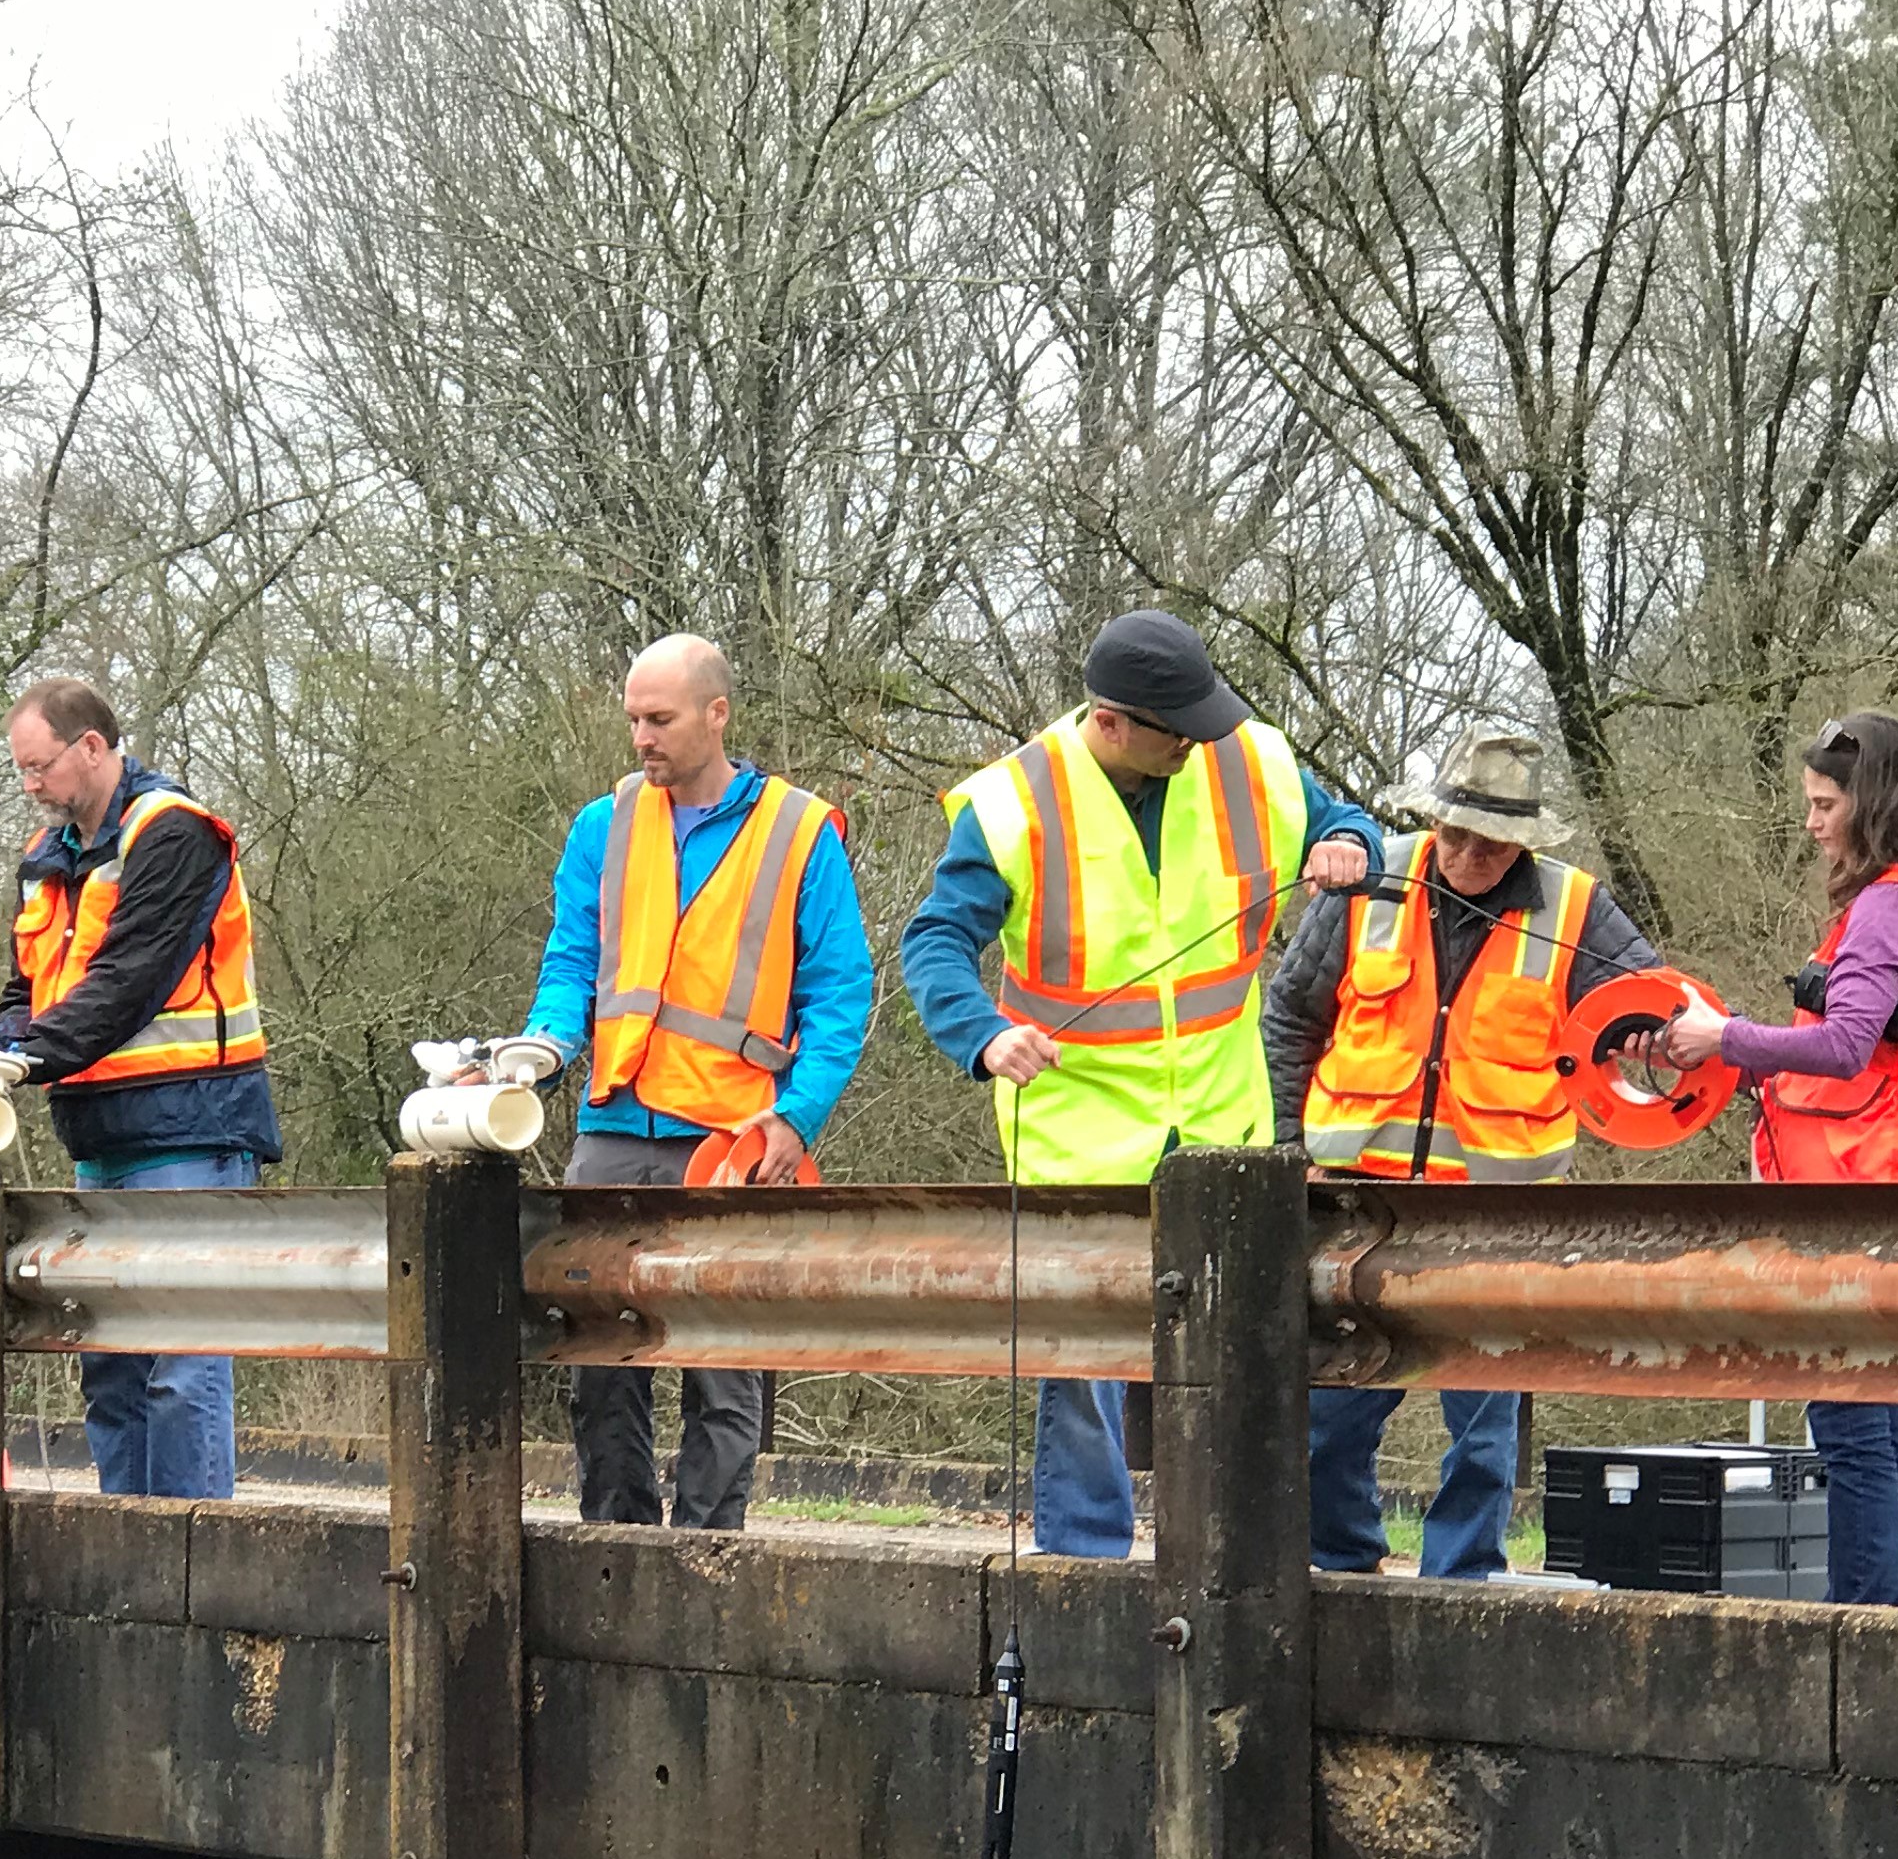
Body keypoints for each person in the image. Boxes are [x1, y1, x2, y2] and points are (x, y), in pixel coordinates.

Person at [896, 610, 1384, 1558]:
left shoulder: (1248, 759)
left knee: (1237, 1348)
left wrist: (1351, 845)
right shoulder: (1014, 805)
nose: (1199, 741)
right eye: (1177, 728)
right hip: (1079, 1131)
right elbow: (937, 941)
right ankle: (1086, 1560)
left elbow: (1342, 821)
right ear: (1113, 722)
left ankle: (1231, 1550)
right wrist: (985, 1036)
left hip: (1221, 1121)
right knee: (1080, 1365)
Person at [1260, 726, 1664, 1578]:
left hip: (1496, 1209)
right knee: (1332, 1409)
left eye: (1488, 841)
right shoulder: (1370, 882)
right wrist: (1292, 1143)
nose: (1465, 854)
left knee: (1484, 1423)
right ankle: (1337, 1560)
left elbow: (1650, 1012)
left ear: (1522, 842)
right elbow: (1292, 1012)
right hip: (1354, 1199)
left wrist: (1666, 1050)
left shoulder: (1573, 907)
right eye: (1453, 832)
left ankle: (1462, 1575)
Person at [507, 634, 875, 1529]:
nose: (641, 737)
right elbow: (572, 962)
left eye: (659, 719)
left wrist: (794, 1120)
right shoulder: (605, 825)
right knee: (594, 1357)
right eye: (632, 718)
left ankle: (710, 1554)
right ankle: (617, 1541)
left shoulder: (798, 832)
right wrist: (546, 1046)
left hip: (731, 1136)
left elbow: (841, 992)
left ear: (717, 714)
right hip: (613, 1126)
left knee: (724, 1367)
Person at [1643, 709, 1898, 1606]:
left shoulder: (1886, 911)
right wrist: (1744, 1067)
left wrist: (1727, 1038)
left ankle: (1862, 1628)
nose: (1814, 823)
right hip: (1879, 1189)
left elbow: (1846, 1046)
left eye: (1827, 805)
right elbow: (1854, 1064)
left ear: (1870, 805)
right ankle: (1885, 1624)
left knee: (1851, 1426)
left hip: (1854, 1202)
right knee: (1876, 1424)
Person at [0, 674, 279, 1499]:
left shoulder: (173, 833)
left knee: (180, 1367)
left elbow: (131, 980)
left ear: (91, 747)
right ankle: (128, 1549)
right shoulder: (47, 863)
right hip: (104, 1135)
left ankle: (193, 1556)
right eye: (21, 770)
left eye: (39, 766)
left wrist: (28, 1058)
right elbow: (28, 995)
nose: (30, 785)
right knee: (110, 1365)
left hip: (190, 1130)